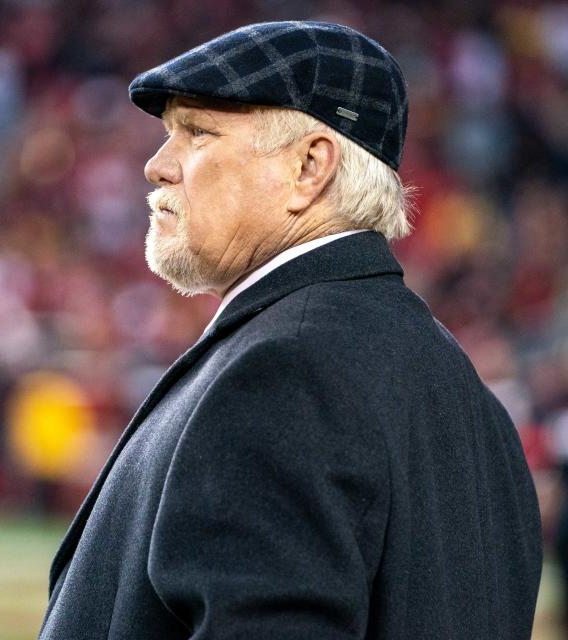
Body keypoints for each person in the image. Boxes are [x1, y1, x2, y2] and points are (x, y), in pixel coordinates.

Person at [39, 21, 542, 640]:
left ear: (310, 166)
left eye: (197, 132)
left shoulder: (286, 370)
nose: (156, 166)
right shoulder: (471, 400)